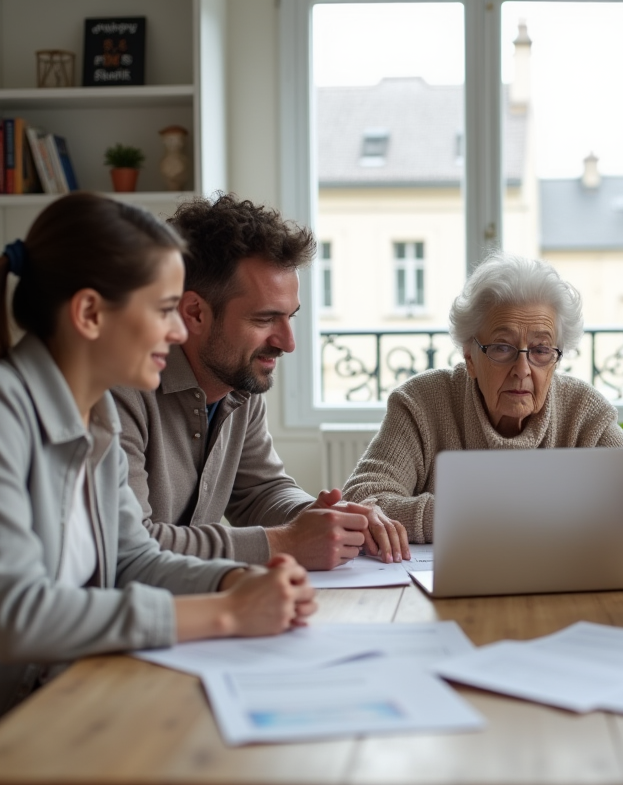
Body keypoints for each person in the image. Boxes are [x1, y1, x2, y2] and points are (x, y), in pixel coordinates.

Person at [0, 193, 316, 785]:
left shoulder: (95, 420)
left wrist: (231, 582)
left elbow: (131, 560)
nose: (177, 329)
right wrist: (225, 613)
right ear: (89, 314)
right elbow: (18, 617)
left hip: (40, 715)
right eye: (165, 308)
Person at [112, 194, 408, 571]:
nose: (288, 343)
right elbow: (133, 546)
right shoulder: (120, 386)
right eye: (265, 319)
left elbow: (259, 490)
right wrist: (286, 541)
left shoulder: (237, 383)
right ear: (194, 313)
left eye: (290, 317)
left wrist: (321, 517)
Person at [343, 251, 623, 542]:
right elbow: (361, 501)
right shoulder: (423, 402)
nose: (523, 369)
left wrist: (542, 513)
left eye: (540, 349)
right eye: (503, 347)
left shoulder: (582, 409)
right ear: (470, 356)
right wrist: (474, 514)